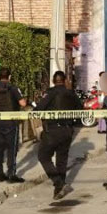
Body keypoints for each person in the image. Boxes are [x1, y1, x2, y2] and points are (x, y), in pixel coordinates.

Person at [35, 70, 84, 200]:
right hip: (67, 131)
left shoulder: (50, 93)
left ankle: (59, 183)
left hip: (52, 130)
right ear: (65, 80)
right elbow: (80, 111)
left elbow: (38, 110)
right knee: (61, 161)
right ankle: (59, 190)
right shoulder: (71, 94)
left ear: (53, 80)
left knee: (43, 156)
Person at [0, 67, 28, 183]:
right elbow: (22, 103)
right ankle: (11, 175)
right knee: (11, 149)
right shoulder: (13, 88)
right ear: (9, 77)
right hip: (11, 122)